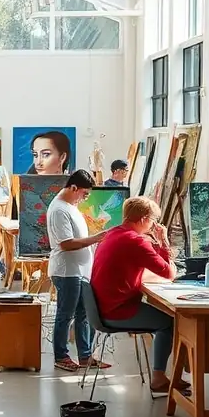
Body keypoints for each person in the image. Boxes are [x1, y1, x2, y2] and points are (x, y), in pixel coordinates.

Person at [90, 196, 183, 397]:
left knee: (165, 317)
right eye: (152, 221)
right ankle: (159, 377)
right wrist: (164, 240)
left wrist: (157, 243)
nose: (153, 225)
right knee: (169, 322)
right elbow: (169, 273)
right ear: (143, 219)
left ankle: (170, 374)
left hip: (103, 306)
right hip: (116, 310)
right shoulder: (135, 241)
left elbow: (154, 262)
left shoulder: (113, 234)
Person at [46, 170, 111, 372]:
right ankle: (61, 356)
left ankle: (85, 356)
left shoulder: (71, 206)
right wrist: (97, 238)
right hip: (67, 271)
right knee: (65, 315)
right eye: (84, 193)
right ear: (73, 188)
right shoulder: (59, 210)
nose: (85, 198)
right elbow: (66, 244)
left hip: (80, 271)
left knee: (84, 314)